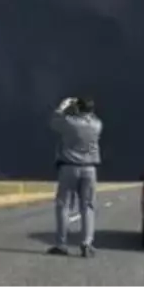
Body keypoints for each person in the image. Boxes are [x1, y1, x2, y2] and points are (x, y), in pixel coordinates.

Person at [46, 96, 102, 258]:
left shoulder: (70, 123)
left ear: (78, 109)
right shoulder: (97, 125)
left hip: (69, 167)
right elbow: (92, 137)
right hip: (90, 168)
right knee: (88, 207)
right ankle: (87, 243)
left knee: (64, 206)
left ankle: (62, 244)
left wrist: (63, 106)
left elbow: (54, 121)